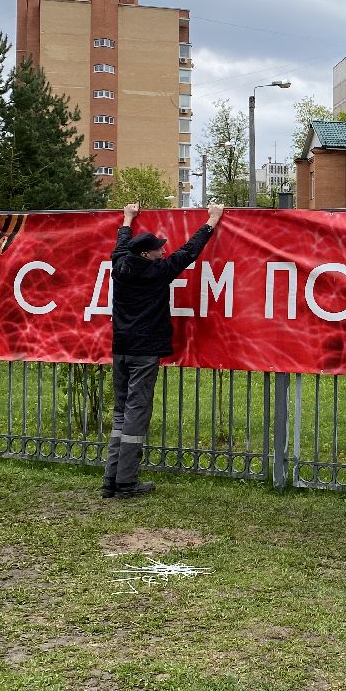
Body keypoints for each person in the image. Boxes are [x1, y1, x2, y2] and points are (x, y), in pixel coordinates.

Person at [104, 202, 225, 499]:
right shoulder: (158, 271)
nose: (163, 251)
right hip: (145, 351)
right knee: (135, 415)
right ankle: (127, 483)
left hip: (120, 348)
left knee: (121, 413)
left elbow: (121, 243)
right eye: (158, 249)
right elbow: (189, 251)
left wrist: (127, 217)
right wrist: (212, 220)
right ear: (146, 255)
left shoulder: (119, 265)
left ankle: (111, 480)